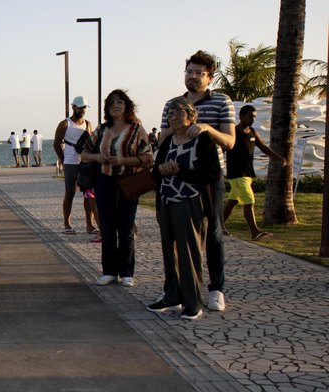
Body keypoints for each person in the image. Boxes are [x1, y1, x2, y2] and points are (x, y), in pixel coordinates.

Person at [159, 50, 235, 312]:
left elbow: (230, 141)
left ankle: (216, 289)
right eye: (189, 71)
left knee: (212, 231)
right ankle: (179, 290)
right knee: (176, 237)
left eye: (198, 73)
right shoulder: (172, 104)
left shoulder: (221, 101)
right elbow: (162, 139)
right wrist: (175, 126)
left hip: (208, 179)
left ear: (209, 77)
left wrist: (205, 128)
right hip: (175, 182)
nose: (192, 77)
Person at [148, 97, 222, 320]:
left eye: (178, 113)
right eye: (170, 114)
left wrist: (179, 171)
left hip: (190, 202)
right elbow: (153, 174)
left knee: (189, 252)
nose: (172, 117)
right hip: (167, 201)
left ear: (191, 116)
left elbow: (212, 174)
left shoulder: (203, 140)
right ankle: (172, 296)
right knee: (169, 251)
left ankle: (193, 302)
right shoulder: (168, 141)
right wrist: (162, 170)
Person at [80, 89, 153, 288]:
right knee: (107, 226)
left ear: (127, 106)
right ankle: (109, 271)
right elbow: (84, 153)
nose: (115, 106)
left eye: (119, 102)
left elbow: (147, 157)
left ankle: (127, 272)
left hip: (128, 182)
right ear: (107, 108)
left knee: (126, 227)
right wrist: (97, 157)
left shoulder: (136, 129)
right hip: (104, 181)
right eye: (111, 103)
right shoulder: (102, 130)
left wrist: (123, 160)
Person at [222, 104, 285, 240]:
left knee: (232, 201)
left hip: (248, 173)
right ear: (241, 116)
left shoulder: (253, 132)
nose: (252, 120)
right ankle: (255, 232)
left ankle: (218, 227)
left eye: (254, 117)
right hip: (237, 174)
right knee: (249, 201)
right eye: (250, 117)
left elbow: (263, 147)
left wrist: (278, 158)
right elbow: (222, 148)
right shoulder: (233, 132)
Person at [53, 95, 98, 234]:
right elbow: (56, 143)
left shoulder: (88, 124)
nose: (83, 110)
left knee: (88, 194)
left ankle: (89, 225)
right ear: (73, 107)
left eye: (84, 107)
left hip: (85, 162)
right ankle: (67, 224)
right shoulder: (65, 124)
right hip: (70, 162)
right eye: (80, 107)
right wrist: (63, 160)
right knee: (70, 192)